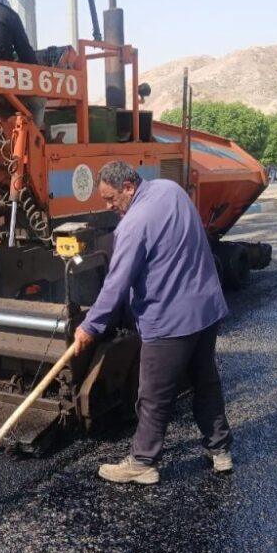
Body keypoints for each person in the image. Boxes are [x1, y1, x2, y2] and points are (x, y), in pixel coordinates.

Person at [72, 161, 233, 485]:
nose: (108, 206)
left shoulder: (133, 224)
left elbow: (116, 283)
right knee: (205, 381)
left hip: (171, 321)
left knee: (153, 395)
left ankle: (143, 461)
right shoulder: (170, 190)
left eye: (110, 198)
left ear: (128, 187)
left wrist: (90, 327)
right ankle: (220, 452)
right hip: (206, 309)